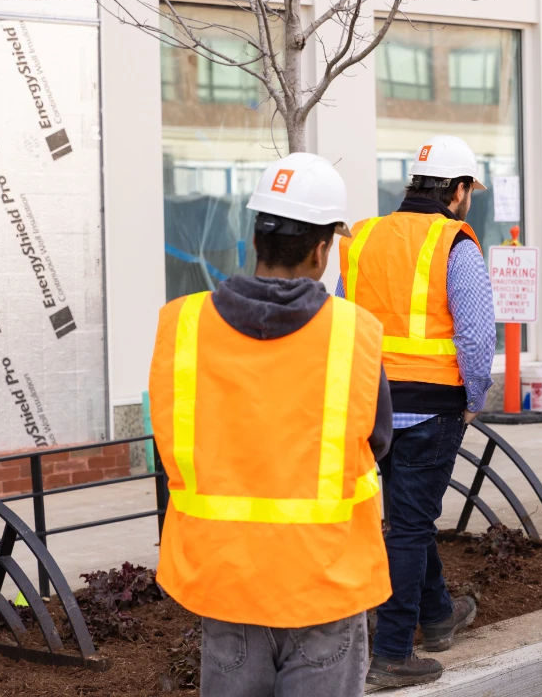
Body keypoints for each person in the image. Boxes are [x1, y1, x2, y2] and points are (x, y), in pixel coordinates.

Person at [149, 153, 393, 697]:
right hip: (323, 583)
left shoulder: (183, 326)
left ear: (256, 238)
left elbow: (168, 445)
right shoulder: (353, 334)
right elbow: (377, 443)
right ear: (322, 248)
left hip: (226, 583)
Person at [337, 135, 495, 689]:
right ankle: (393, 653)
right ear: (457, 191)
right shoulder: (456, 243)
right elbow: (476, 337)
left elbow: (340, 321)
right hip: (431, 407)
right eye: (469, 190)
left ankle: (437, 616)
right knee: (409, 525)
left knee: (408, 516)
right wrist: (475, 398)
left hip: (367, 406)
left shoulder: (363, 238)